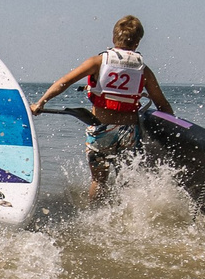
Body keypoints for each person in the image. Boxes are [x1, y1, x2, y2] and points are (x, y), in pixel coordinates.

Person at [35, 15, 170, 200]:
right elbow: (163, 105)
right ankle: (126, 214)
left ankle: (93, 214)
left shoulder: (97, 62)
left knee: (99, 181)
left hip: (101, 130)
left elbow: (64, 82)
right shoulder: (144, 70)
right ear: (137, 43)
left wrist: (41, 102)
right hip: (129, 133)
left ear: (114, 38)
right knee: (126, 182)